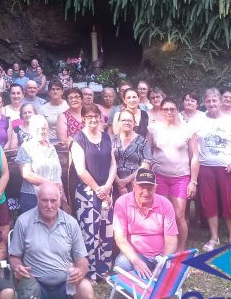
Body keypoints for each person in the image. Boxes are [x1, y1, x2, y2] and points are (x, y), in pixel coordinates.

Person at [9, 182, 98, 299]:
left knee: (87, 289)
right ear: (37, 199)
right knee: (27, 292)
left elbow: (82, 260)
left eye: (53, 200)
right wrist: (17, 267)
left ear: (59, 200)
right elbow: (14, 257)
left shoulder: (70, 223)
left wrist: (80, 271)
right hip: (34, 281)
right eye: (44, 200)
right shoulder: (24, 221)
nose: (49, 205)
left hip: (66, 282)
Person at [191, 88, 231, 253]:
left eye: (214, 100)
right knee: (209, 203)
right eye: (208, 101)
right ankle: (214, 237)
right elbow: (193, 147)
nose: (212, 104)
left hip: (227, 169)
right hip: (206, 168)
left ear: (220, 101)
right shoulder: (199, 121)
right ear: (204, 103)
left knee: (230, 202)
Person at [69, 104, 116, 280]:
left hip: (106, 190)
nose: (94, 119)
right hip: (87, 193)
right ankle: (89, 272)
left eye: (96, 116)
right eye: (89, 116)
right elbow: (81, 170)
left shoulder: (106, 137)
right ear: (83, 118)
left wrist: (108, 186)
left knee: (106, 229)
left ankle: (104, 269)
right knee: (90, 233)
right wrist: (98, 189)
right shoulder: (78, 140)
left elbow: (113, 164)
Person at [149, 99, 198, 251]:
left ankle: (180, 249)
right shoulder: (153, 129)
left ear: (177, 110)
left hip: (181, 178)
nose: (169, 112)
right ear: (161, 111)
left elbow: (195, 156)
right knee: (161, 214)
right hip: (159, 177)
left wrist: (193, 181)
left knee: (178, 215)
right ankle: (163, 246)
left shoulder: (188, 129)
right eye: (166, 109)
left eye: (172, 109)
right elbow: (147, 153)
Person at [112, 169, 178, 279]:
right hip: (137, 255)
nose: (146, 192)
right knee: (122, 264)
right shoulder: (122, 203)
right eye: (142, 187)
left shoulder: (166, 204)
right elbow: (120, 238)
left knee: (179, 269)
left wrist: (162, 263)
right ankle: (151, 281)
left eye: (150, 188)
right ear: (133, 186)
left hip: (161, 255)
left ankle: (147, 280)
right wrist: (136, 261)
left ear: (156, 188)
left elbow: (171, 239)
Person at [16, 115, 64, 214]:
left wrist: (64, 199)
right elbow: (26, 174)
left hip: (53, 198)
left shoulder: (51, 147)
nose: (41, 131)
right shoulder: (26, 147)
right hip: (33, 198)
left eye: (43, 128)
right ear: (30, 130)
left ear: (47, 129)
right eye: (37, 129)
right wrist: (51, 185)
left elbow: (58, 175)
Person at [112, 109, 152, 196]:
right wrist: (119, 184)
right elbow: (107, 163)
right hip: (113, 184)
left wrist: (124, 181)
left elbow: (146, 165)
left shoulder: (142, 141)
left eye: (129, 120)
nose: (126, 122)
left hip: (135, 184)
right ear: (118, 122)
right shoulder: (112, 140)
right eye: (123, 120)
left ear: (134, 123)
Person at [40, 80, 67, 145]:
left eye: (58, 89)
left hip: (67, 139)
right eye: (53, 89)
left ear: (62, 92)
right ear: (49, 92)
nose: (55, 91)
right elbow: (41, 129)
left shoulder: (68, 106)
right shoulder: (43, 109)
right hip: (50, 141)